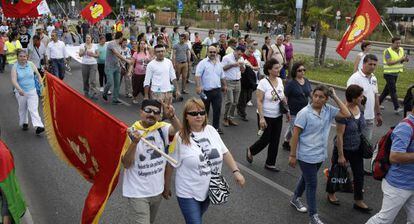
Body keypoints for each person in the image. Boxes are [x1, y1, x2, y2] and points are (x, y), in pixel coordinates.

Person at [163, 98, 245, 224]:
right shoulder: (180, 137)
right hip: (187, 192)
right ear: (186, 116)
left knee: (196, 219)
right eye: (194, 113)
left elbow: (225, 152)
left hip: (208, 189)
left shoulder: (211, 130)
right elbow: (170, 164)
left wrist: (236, 171)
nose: (199, 116)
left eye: (202, 112)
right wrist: (166, 186)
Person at [288, 85, 350, 224]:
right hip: (306, 155)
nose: (317, 99)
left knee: (306, 178)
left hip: (320, 154)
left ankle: (295, 198)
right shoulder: (304, 113)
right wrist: (292, 155)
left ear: (326, 99)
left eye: (321, 97)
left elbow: (347, 114)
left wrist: (335, 96)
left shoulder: (328, 110)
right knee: (312, 184)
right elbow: (295, 134)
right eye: (315, 95)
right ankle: (313, 217)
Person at [122, 99, 181, 224]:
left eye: (156, 112)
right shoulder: (130, 132)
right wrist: (134, 143)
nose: (152, 114)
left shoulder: (162, 129)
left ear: (160, 116)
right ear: (141, 112)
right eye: (148, 111)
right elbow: (126, 164)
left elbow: (178, 129)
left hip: (157, 191)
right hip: (137, 192)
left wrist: (172, 116)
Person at [365, 101, 414, 224]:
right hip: (399, 185)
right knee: (384, 220)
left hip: (411, 182)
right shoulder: (406, 127)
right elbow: (395, 157)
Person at [326, 85, 372, 212]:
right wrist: (341, 155)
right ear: (353, 98)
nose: (363, 98)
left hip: (357, 148)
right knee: (336, 172)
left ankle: (358, 201)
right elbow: (339, 136)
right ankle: (331, 193)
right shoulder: (343, 113)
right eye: (360, 96)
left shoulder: (360, 108)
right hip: (343, 149)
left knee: (359, 174)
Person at [246, 58, 290, 171]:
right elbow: (259, 101)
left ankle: (270, 163)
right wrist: (261, 118)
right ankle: (251, 150)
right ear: (269, 70)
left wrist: (287, 111)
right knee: (266, 139)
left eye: (279, 67)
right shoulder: (263, 83)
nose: (278, 69)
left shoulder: (280, 81)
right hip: (265, 116)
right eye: (276, 68)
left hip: (278, 115)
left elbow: (282, 96)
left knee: (275, 140)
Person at [347, 54, 383, 174]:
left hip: (370, 117)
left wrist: (378, 113)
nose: (372, 67)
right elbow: (350, 99)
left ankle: (359, 168)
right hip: (357, 118)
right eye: (370, 64)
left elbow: (375, 96)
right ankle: (347, 168)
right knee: (354, 144)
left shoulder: (373, 78)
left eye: (374, 64)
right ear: (364, 64)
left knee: (364, 145)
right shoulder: (355, 78)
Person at [10, 49, 45, 135]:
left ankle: (38, 126)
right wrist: (19, 89)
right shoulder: (15, 67)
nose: (23, 58)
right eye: (21, 56)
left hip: (32, 91)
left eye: (24, 56)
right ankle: (24, 122)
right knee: (23, 108)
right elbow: (13, 80)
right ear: (17, 57)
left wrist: (41, 83)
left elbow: (38, 74)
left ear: (27, 57)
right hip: (21, 92)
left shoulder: (31, 64)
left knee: (33, 109)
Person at [195, 46, 227, 134]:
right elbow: (197, 75)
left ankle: (216, 128)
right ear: (207, 52)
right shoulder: (203, 63)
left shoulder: (219, 63)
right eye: (211, 52)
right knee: (205, 110)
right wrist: (198, 86)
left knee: (217, 110)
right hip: (206, 91)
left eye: (214, 52)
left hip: (217, 91)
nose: (212, 53)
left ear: (216, 53)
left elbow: (222, 75)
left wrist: (225, 85)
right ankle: (204, 127)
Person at [282, 62, 312, 151]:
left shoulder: (306, 81)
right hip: (293, 112)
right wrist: (286, 111)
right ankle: (299, 153)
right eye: (300, 70)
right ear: (295, 71)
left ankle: (286, 141)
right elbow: (285, 97)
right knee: (297, 133)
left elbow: (310, 93)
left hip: (305, 112)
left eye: (304, 70)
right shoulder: (291, 83)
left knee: (294, 128)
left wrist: (317, 101)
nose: (302, 72)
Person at [379, 37, 409, 114]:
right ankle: (397, 107)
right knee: (393, 90)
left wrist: (405, 59)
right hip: (388, 74)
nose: (399, 44)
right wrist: (400, 59)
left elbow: (401, 61)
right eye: (397, 43)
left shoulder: (401, 49)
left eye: (400, 43)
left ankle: (377, 104)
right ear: (392, 43)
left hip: (396, 73)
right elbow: (389, 63)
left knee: (386, 91)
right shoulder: (387, 51)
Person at [103, 32, 132, 105]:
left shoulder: (119, 45)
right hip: (109, 66)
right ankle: (105, 92)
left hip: (117, 66)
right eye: (122, 38)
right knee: (110, 82)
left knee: (117, 83)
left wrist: (122, 65)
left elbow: (118, 58)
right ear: (120, 37)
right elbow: (116, 54)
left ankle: (115, 99)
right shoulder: (111, 44)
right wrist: (127, 61)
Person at [221, 46, 246, 127]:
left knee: (235, 102)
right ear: (235, 51)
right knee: (230, 101)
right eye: (238, 54)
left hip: (238, 81)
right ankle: (225, 118)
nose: (239, 56)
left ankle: (230, 118)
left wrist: (241, 66)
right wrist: (232, 65)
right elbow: (222, 69)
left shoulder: (241, 58)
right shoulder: (226, 58)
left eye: (241, 55)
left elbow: (243, 70)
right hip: (228, 81)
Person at [237, 45, 259, 121]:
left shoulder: (253, 58)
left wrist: (252, 67)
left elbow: (257, 67)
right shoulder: (241, 56)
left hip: (250, 80)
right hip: (242, 78)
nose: (250, 53)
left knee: (249, 97)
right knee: (243, 97)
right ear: (246, 49)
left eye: (252, 52)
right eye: (249, 51)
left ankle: (239, 107)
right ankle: (242, 113)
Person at [79, 34, 99, 99]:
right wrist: (85, 50)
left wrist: (92, 55)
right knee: (85, 79)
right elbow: (80, 55)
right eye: (86, 38)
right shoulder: (82, 45)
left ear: (91, 38)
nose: (87, 39)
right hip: (85, 64)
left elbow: (98, 55)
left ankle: (93, 93)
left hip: (93, 64)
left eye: (89, 38)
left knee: (92, 80)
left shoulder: (95, 46)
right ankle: (86, 91)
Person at [131, 40, 151, 104]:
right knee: (136, 86)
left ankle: (146, 98)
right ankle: (134, 97)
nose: (142, 45)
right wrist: (130, 71)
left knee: (146, 86)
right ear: (139, 45)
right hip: (137, 73)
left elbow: (150, 62)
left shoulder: (147, 52)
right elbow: (132, 63)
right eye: (141, 44)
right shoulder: (136, 53)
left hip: (146, 73)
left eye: (144, 44)